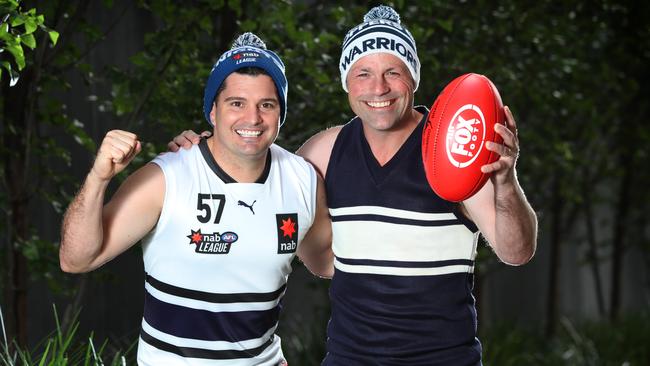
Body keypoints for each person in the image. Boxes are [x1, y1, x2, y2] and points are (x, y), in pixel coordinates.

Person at [169, 5, 538, 365]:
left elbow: (517, 251)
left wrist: (505, 181)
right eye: (363, 73)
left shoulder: (453, 149)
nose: (378, 88)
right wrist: (204, 151)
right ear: (347, 83)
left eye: (393, 72)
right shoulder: (323, 153)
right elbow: (255, 186)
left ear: (413, 78)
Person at [59, 32, 332, 366]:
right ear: (213, 112)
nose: (252, 118)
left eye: (267, 105)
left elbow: (327, 261)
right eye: (236, 103)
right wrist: (99, 177)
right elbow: (75, 260)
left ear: (280, 113)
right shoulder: (166, 179)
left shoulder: (302, 180)